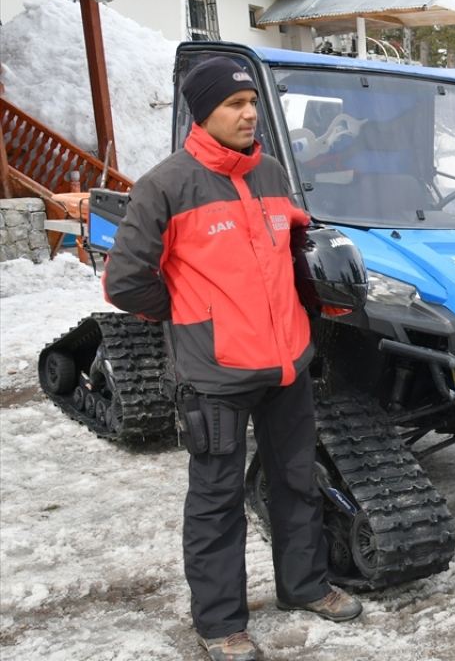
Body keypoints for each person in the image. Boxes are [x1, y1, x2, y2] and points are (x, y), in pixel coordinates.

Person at [103, 57, 361, 661]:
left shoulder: (270, 172)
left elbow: (293, 243)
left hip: (287, 364)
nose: (249, 115)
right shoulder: (165, 185)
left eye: (252, 104)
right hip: (215, 375)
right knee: (217, 502)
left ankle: (304, 587)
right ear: (204, 113)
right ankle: (221, 623)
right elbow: (125, 282)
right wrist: (191, 314)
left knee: (296, 482)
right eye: (234, 105)